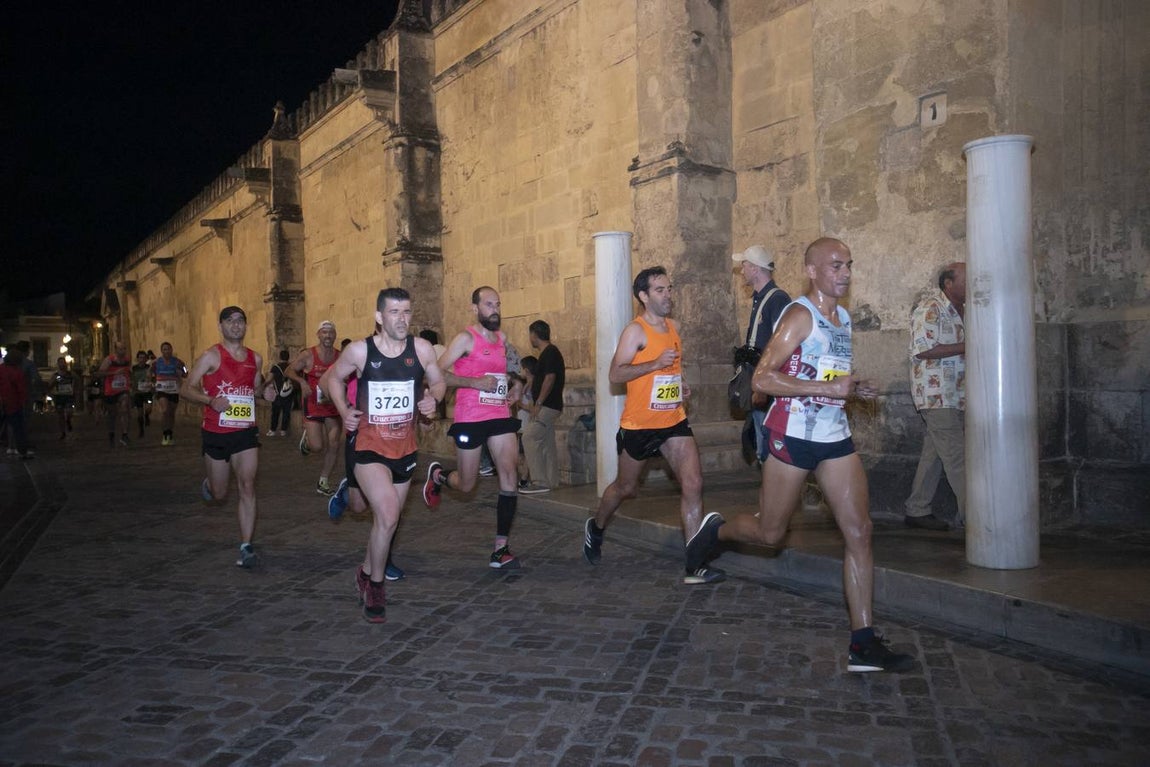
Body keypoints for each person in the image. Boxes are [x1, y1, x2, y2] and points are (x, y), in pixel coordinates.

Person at [702, 237, 914, 673]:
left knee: (860, 531)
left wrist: (852, 387)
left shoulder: (844, 319)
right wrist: (828, 389)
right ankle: (717, 533)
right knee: (771, 534)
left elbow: (827, 374)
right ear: (812, 270)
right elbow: (762, 379)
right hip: (792, 435)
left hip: (835, 435)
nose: (846, 273)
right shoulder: (799, 315)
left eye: (849, 265)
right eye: (836, 265)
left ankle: (863, 642)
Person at [581, 266, 724, 585]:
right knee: (626, 488)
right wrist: (652, 364)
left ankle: (695, 563)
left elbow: (671, 369)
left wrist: (680, 384)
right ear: (643, 296)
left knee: (694, 483)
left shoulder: (673, 327)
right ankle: (597, 526)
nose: (667, 294)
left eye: (669, 288)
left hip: (673, 420)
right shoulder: (636, 331)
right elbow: (615, 375)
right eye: (660, 290)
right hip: (640, 424)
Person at [321, 288, 445, 622]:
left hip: (404, 449)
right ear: (379, 316)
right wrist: (343, 409)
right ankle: (375, 587)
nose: (402, 319)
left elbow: (438, 383)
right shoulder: (360, 351)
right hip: (368, 446)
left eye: (407, 312)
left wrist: (433, 399)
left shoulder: (421, 349)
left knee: (386, 522)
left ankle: (364, 570)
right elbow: (331, 378)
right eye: (394, 312)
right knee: (389, 514)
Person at [422, 286, 526, 569]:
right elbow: (435, 374)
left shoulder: (503, 339)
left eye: (498, 304)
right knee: (467, 485)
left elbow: (515, 371)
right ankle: (441, 477)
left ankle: (500, 548)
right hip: (470, 417)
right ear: (475, 308)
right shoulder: (465, 338)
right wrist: (473, 383)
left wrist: (516, 387)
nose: (495, 309)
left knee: (509, 476)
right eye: (489, 304)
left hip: (500, 414)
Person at [182, 306, 271, 569]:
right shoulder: (211, 356)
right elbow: (186, 389)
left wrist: (264, 395)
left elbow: (253, 390)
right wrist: (210, 400)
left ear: (246, 326)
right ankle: (210, 485)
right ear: (220, 326)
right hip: (216, 433)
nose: (236, 325)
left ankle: (246, 546)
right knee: (220, 493)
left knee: (247, 486)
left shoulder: (255, 359)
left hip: (245, 432)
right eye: (230, 321)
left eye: (240, 320)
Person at [905, 262, 967, 531]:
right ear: (948, 284)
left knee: (935, 454)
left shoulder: (967, 309)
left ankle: (917, 509)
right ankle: (977, 519)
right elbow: (923, 349)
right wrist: (971, 345)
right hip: (936, 395)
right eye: (967, 277)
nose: (973, 281)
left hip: (956, 394)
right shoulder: (931, 308)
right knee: (957, 457)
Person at [732, 245, 791, 463]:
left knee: (769, 445)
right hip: (759, 379)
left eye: (745, 265)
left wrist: (765, 383)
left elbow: (783, 345)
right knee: (760, 440)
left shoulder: (777, 299)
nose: (742, 270)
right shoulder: (761, 298)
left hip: (768, 383)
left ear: (756, 269)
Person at [288, 320, 343, 495]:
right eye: (324, 332)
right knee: (317, 447)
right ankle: (307, 441)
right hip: (313, 404)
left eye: (331, 332)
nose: (328, 335)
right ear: (318, 335)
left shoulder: (340, 356)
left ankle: (323, 481)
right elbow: (288, 370)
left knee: (334, 444)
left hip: (332, 406)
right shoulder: (308, 355)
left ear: (335, 335)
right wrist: (302, 381)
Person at [519, 320, 565, 494]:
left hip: (547, 406)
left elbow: (550, 378)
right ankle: (552, 481)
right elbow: (542, 378)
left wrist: (539, 403)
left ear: (534, 334)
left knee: (529, 437)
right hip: (549, 405)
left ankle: (539, 481)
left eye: (530, 335)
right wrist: (530, 383)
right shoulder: (547, 354)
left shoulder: (550, 352)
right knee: (547, 444)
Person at [96, 341, 133, 447]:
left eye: (124, 349)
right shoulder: (109, 360)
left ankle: (124, 435)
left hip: (123, 389)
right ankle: (111, 434)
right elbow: (99, 373)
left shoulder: (127, 360)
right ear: (116, 350)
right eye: (120, 349)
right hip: (111, 390)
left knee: (124, 408)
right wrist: (114, 373)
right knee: (112, 415)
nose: (123, 351)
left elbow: (127, 372)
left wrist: (130, 381)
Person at [151, 341, 187, 445]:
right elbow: (150, 372)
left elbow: (186, 372)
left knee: (171, 413)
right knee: (165, 410)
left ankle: (170, 433)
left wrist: (181, 373)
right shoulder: (156, 362)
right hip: (162, 390)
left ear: (171, 350)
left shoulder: (178, 362)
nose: (166, 351)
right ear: (161, 351)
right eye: (164, 349)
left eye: (168, 349)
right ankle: (164, 434)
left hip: (174, 390)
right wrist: (152, 382)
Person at [1, 346, 32, 459]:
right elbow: (21, 390)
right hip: (14, 403)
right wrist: (24, 402)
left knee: (8, 425)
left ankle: (10, 447)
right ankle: (22, 450)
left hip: (3, 402)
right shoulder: (17, 372)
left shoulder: (1, 369)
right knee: (19, 427)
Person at [266, 350, 294, 437]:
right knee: (286, 412)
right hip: (289, 392)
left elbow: (269, 378)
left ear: (280, 356)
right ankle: (283, 430)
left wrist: (264, 385)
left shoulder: (275, 367)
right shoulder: (292, 366)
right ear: (288, 357)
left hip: (278, 392)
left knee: (275, 412)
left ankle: (273, 430)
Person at [49, 356, 76, 439]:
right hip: (59, 397)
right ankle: (63, 432)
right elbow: (50, 386)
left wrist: (75, 390)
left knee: (69, 412)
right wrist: (55, 382)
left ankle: (68, 420)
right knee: (60, 415)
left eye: (63, 362)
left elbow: (77, 381)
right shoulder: (56, 375)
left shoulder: (70, 374)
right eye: (60, 363)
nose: (62, 364)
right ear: (58, 364)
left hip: (69, 396)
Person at [130, 350, 152, 438]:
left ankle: (147, 415)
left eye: (143, 358)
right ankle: (141, 430)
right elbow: (131, 379)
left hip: (147, 392)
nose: (142, 360)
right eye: (140, 358)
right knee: (139, 413)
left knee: (148, 408)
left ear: (146, 359)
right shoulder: (134, 368)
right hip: (138, 393)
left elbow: (153, 377)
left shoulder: (149, 367)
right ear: (137, 359)